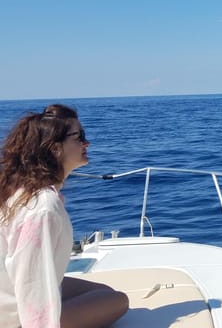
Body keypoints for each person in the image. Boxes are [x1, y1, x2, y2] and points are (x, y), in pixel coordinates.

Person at [0, 104, 129, 328]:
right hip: (13, 319)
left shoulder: (23, 192)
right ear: (55, 148)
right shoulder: (43, 207)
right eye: (79, 137)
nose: (86, 143)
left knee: (104, 293)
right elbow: (32, 283)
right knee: (118, 301)